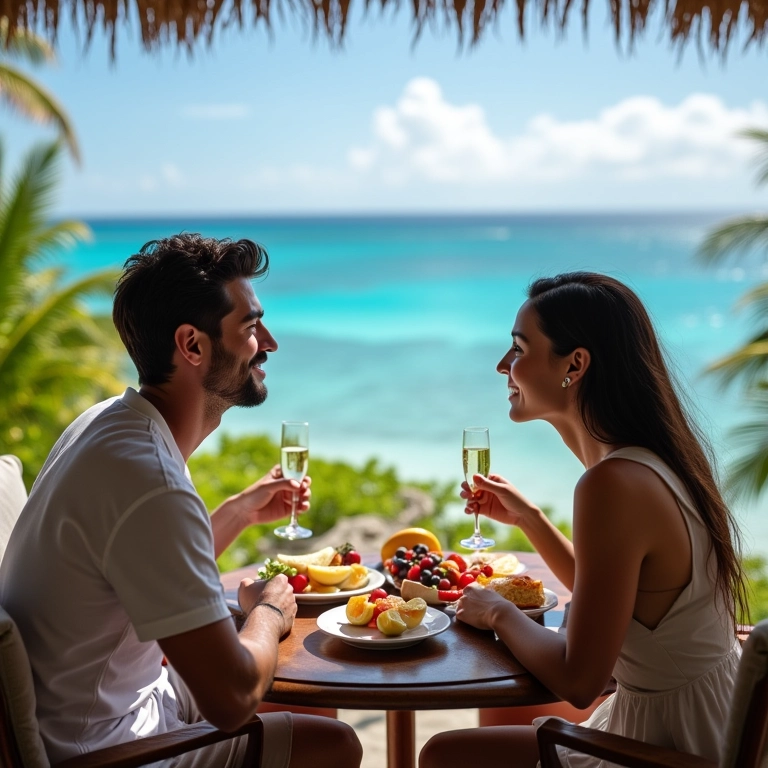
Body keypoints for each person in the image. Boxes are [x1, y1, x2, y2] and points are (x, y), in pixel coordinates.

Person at [0, 234, 363, 768]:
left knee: (304, 682)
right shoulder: (150, 479)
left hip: (120, 704)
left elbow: (140, 563)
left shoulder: (109, 424)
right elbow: (231, 700)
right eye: (250, 327)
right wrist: (269, 611)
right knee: (333, 743)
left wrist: (239, 511)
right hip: (104, 751)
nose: (270, 343)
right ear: (192, 345)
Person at [420, 272, 748, 768]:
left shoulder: (611, 484)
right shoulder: (653, 461)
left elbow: (579, 680)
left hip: (671, 745)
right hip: (713, 723)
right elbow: (619, 600)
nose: (502, 365)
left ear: (574, 364)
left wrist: (497, 612)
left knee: (446, 755)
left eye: (518, 348)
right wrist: (530, 519)